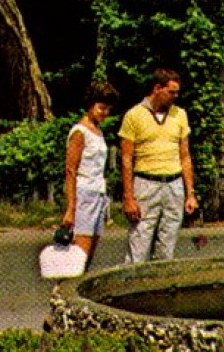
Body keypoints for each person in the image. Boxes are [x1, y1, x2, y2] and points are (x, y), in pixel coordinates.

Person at [119, 68, 198, 264]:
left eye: (177, 92)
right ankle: (132, 288)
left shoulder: (180, 115)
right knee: (139, 243)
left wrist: (190, 193)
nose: (175, 96)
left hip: (174, 183)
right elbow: (127, 159)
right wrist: (129, 197)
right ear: (157, 88)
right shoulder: (134, 115)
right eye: (171, 92)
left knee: (168, 246)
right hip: (146, 183)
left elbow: (185, 156)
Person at [61, 81, 119, 261]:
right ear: (91, 104)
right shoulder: (79, 132)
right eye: (101, 108)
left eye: (108, 109)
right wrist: (71, 208)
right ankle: (64, 288)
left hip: (98, 193)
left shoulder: (98, 132)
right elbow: (71, 170)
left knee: (90, 253)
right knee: (79, 254)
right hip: (84, 194)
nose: (105, 113)